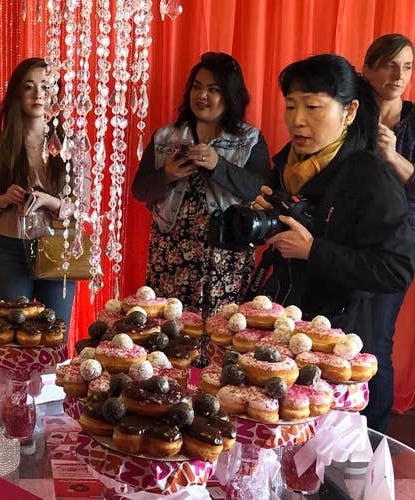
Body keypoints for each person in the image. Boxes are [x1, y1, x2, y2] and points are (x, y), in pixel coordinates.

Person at [252, 54, 415, 431]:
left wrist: (313, 250)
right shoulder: (288, 166)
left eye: (312, 106)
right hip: (294, 333)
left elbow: (396, 269)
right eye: (290, 106)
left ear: (350, 111)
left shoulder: (371, 177)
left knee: (338, 470)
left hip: (344, 345)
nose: (297, 119)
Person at [131, 52, 270, 316]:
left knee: (222, 332)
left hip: (226, 256)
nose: (202, 95)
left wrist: (219, 165)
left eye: (213, 90)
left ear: (230, 95)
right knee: (169, 329)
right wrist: (168, 174)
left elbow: (260, 190)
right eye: (197, 87)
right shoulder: (165, 136)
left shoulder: (249, 139)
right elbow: (140, 189)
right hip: (170, 252)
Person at [0, 57, 89, 330]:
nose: (39, 94)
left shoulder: (71, 144)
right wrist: (4, 199)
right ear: (17, 93)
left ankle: (52, 375)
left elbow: (81, 207)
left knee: (55, 334)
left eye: (47, 87)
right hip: (9, 248)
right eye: (29, 87)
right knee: (18, 335)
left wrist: (50, 202)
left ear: (57, 95)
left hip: (57, 245)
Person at [361, 34, 415, 431]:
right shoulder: (349, 115)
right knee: (338, 338)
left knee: (377, 341)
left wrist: (394, 157)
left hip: (397, 245)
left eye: (408, 67)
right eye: (390, 64)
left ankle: (373, 440)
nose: (399, 75)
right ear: (368, 69)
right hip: (343, 241)